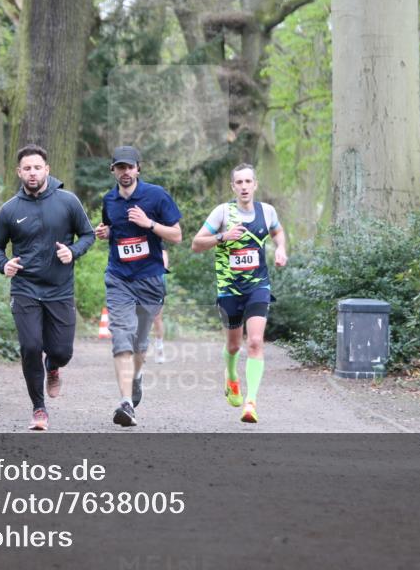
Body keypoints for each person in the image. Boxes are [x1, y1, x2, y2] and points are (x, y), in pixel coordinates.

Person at [0, 144, 95, 431]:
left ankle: (54, 367)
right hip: (25, 288)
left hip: (60, 288)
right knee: (31, 346)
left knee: (62, 351)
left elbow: (87, 234)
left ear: (47, 169)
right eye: (27, 168)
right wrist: (5, 264)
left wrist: (72, 252)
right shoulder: (10, 209)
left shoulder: (68, 201)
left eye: (37, 167)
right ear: (19, 172)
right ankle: (39, 408)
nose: (32, 173)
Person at [190, 163, 287, 423]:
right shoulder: (222, 212)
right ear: (233, 187)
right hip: (229, 289)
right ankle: (231, 376)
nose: (244, 187)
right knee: (233, 345)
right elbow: (196, 244)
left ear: (255, 184)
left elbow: (277, 231)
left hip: (258, 286)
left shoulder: (266, 212)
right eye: (239, 183)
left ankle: (251, 402)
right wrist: (223, 237)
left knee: (255, 342)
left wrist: (281, 249)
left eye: (248, 182)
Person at [95, 145, 182, 427]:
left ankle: (136, 378)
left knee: (139, 344)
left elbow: (177, 236)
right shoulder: (109, 200)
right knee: (121, 335)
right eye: (120, 167)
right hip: (119, 277)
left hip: (150, 279)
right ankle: (125, 403)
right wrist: (104, 232)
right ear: (113, 171)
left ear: (138, 169)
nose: (125, 172)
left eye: (130, 167)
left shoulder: (156, 195)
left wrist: (150, 223)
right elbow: (112, 231)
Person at [151, 247, 169, 364]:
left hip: (156, 282)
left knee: (156, 318)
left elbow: (164, 266)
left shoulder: (159, 243)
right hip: (137, 281)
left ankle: (160, 348)